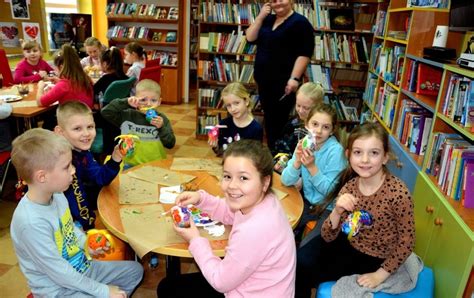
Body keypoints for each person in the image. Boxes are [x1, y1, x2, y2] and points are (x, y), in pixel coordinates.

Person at [10, 128, 143, 297]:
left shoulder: (58, 195)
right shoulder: (30, 223)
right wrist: (102, 291)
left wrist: (86, 243)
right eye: (66, 167)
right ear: (42, 177)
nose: (73, 170)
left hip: (83, 269)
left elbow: (70, 229)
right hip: (59, 289)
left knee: (135, 271)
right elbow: (59, 272)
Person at [158, 140, 296, 297]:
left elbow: (220, 281)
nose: (231, 185)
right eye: (227, 176)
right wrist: (200, 199)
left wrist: (195, 240)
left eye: (243, 178)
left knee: (168, 289)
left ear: (265, 182)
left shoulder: (253, 230)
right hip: (257, 286)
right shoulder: (266, 200)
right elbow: (230, 212)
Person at [295, 122, 415, 298]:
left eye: (374, 153)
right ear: (348, 155)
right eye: (358, 153)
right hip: (347, 241)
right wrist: (336, 210)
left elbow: (407, 241)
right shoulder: (350, 186)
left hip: (374, 257)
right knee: (300, 261)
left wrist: (380, 275)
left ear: (385, 157)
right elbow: (328, 235)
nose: (365, 160)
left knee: (309, 271)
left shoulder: (398, 193)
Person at [246, 0, 314, 150]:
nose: (278, 3)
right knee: (270, 121)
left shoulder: (300, 23)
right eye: (274, 1)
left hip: (284, 84)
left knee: (278, 123)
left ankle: (278, 157)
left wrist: (294, 78)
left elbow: (304, 53)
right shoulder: (267, 19)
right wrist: (260, 17)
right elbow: (250, 37)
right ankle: (273, 154)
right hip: (264, 83)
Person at [281, 103, 346, 242]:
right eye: (315, 124)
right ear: (306, 125)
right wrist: (297, 162)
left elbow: (330, 192)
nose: (318, 131)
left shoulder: (336, 152)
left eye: (325, 127)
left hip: (327, 209)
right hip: (307, 202)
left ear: (332, 130)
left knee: (306, 254)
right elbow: (286, 180)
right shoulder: (305, 143)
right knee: (278, 231)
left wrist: (312, 167)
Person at [54, 101, 123, 230]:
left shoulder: (83, 153)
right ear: (60, 132)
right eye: (77, 129)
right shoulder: (57, 162)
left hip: (82, 225)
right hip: (65, 229)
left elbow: (100, 178)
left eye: (90, 127)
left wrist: (115, 159)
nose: (86, 133)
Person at [101, 79, 175, 168]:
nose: (148, 104)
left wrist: (161, 127)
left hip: (156, 164)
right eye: (143, 100)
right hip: (130, 163)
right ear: (135, 99)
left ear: (159, 102)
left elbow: (170, 143)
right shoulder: (127, 115)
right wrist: (126, 102)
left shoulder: (161, 119)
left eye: (153, 100)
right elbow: (106, 112)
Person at [273, 82, 324, 161]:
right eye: (298, 105)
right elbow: (280, 146)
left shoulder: (322, 130)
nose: (300, 110)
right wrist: (281, 159)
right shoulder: (293, 124)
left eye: (306, 108)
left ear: (319, 106)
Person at [208, 82, 263, 156]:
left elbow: (256, 156)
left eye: (236, 103)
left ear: (246, 101)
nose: (233, 109)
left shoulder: (256, 129)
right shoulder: (223, 124)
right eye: (228, 105)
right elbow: (220, 152)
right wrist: (215, 146)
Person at [36, 44, 94, 109]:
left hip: (71, 117)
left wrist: (40, 87)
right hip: (87, 116)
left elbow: (40, 102)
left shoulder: (63, 85)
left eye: (55, 67)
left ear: (60, 67)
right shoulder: (85, 78)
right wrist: (59, 81)